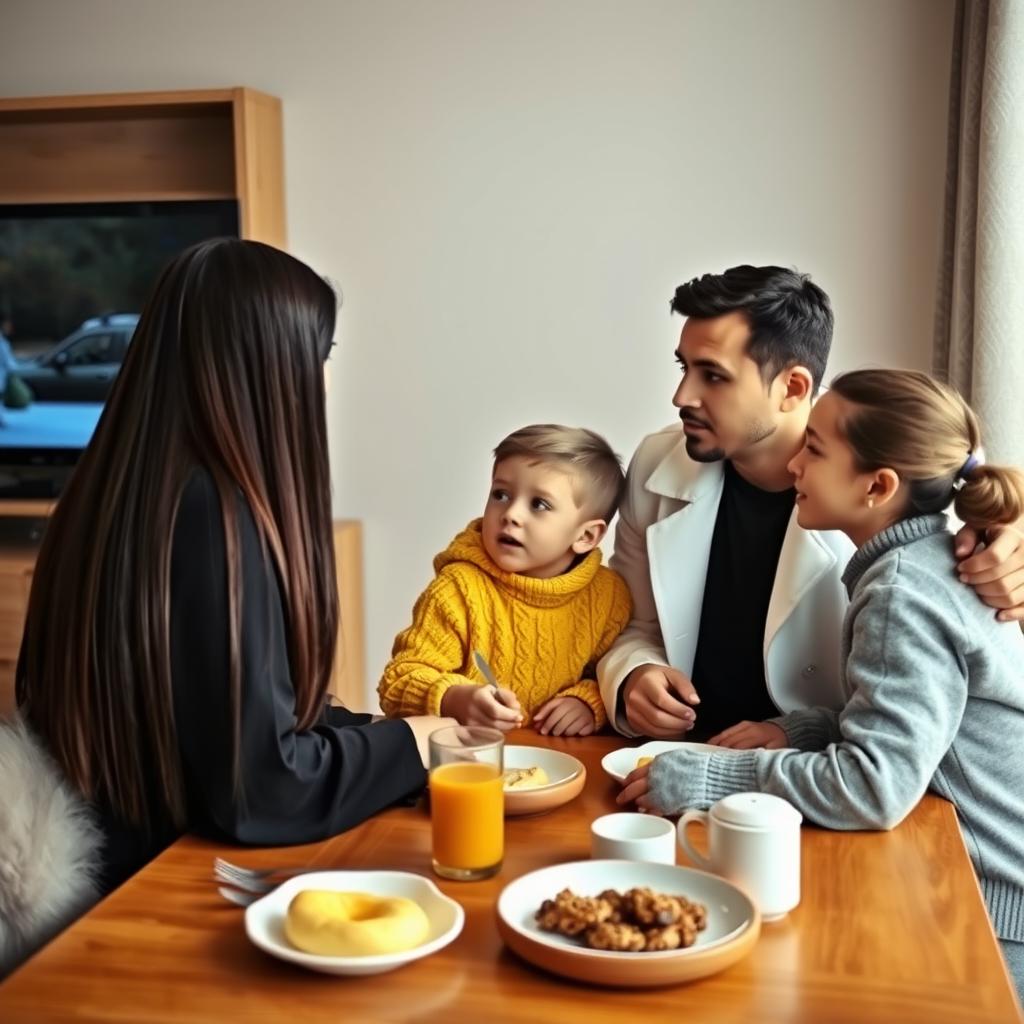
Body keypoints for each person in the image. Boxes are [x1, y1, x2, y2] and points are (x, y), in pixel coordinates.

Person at [16, 239, 453, 897]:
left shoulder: (111, 496)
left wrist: (385, 731)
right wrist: (414, 746)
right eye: (322, 354)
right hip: (162, 891)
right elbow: (266, 791)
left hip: (112, 868)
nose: (325, 379)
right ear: (268, 363)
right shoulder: (219, 520)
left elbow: (225, 714)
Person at [617, 369, 1024, 998]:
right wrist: (799, 729)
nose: (794, 465)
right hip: (964, 880)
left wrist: (707, 780)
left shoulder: (899, 593)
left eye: (814, 449)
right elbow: (925, 726)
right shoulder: (920, 564)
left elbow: (873, 787)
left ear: (878, 486)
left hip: (986, 911)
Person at [598, 264, 1024, 742]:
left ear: (793, 388)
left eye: (713, 376)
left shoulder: (892, 491)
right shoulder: (657, 464)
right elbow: (630, 622)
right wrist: (634, 675)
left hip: (823, 778)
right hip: (673, 759)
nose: (682, 395)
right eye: (684, 367)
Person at [378, 424, 632, 736]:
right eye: (501, 494)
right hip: (467, 766)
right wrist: (454, 698)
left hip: (558, 766)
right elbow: (398, 681)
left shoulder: (608, 598)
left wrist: (588, 702)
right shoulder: (458, 590)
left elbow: (613, 676)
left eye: (539, 504)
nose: (511, 513)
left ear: (586, 536)